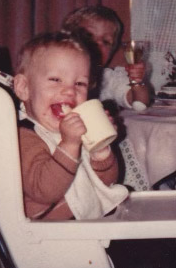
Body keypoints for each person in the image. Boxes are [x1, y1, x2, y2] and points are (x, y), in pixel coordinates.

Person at [12, 31, 123, 220]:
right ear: (24, 88)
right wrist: (70, 144)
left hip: (83, 228)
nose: (70, 91)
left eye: (80, 83)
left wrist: (100, 149)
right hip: (47, 237)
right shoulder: (24, 135)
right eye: (55, 80)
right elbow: (45, 190)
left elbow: (107, 182)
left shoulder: (76, 129)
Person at [62, 5, 151, 111]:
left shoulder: (108, 79)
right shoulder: (55, 74)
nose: (97, 45)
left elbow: (139, 102)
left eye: (105, 42)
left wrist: (137, 81)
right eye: (89, 37)